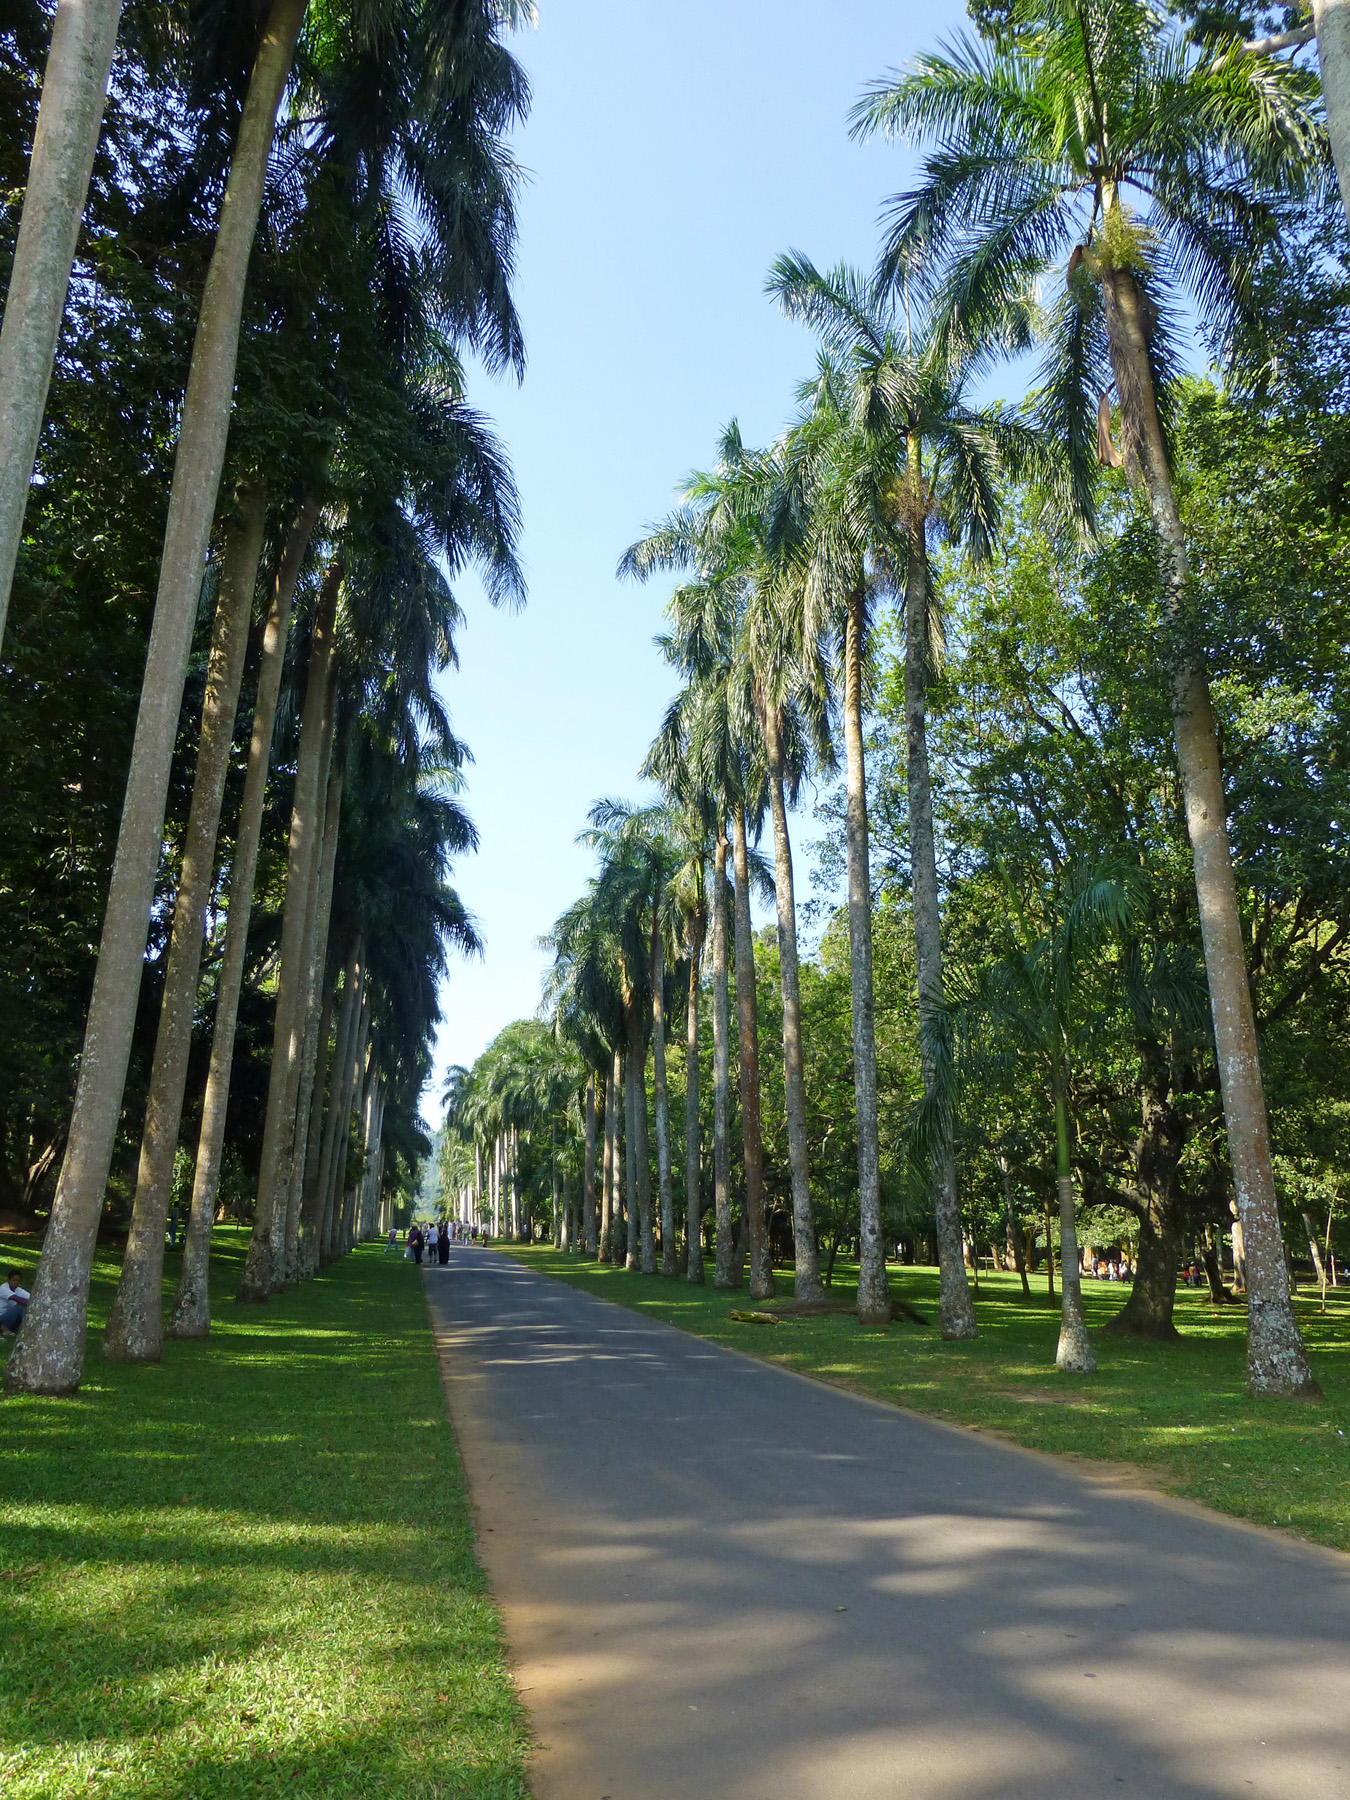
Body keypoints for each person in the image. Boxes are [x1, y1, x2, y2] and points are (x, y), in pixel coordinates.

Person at [0, 1270, 30, 1336]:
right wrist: (31, 1304)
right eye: (14, 1280)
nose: (16, 1283)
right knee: (20, 1307)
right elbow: (17, 1299)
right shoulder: (3, 1288)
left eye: (18, 1281)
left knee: (24, 1307)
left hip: (10, 1318)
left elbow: (31, 1298)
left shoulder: (18, 1290)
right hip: (1, 1318)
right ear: (8, 1280)